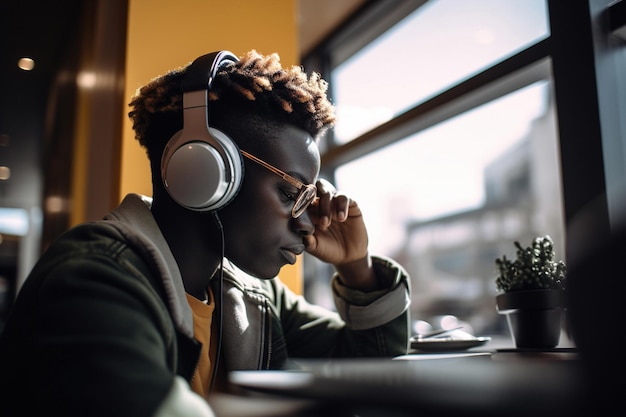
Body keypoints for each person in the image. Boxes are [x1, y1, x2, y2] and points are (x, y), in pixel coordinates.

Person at [0, 49, 411, 417]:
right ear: (203, 172)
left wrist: (357, 268)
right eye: (290, 194)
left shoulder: (251, 294)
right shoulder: (92, 280)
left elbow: (371, 364)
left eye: (309, 200)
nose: (307, 223)